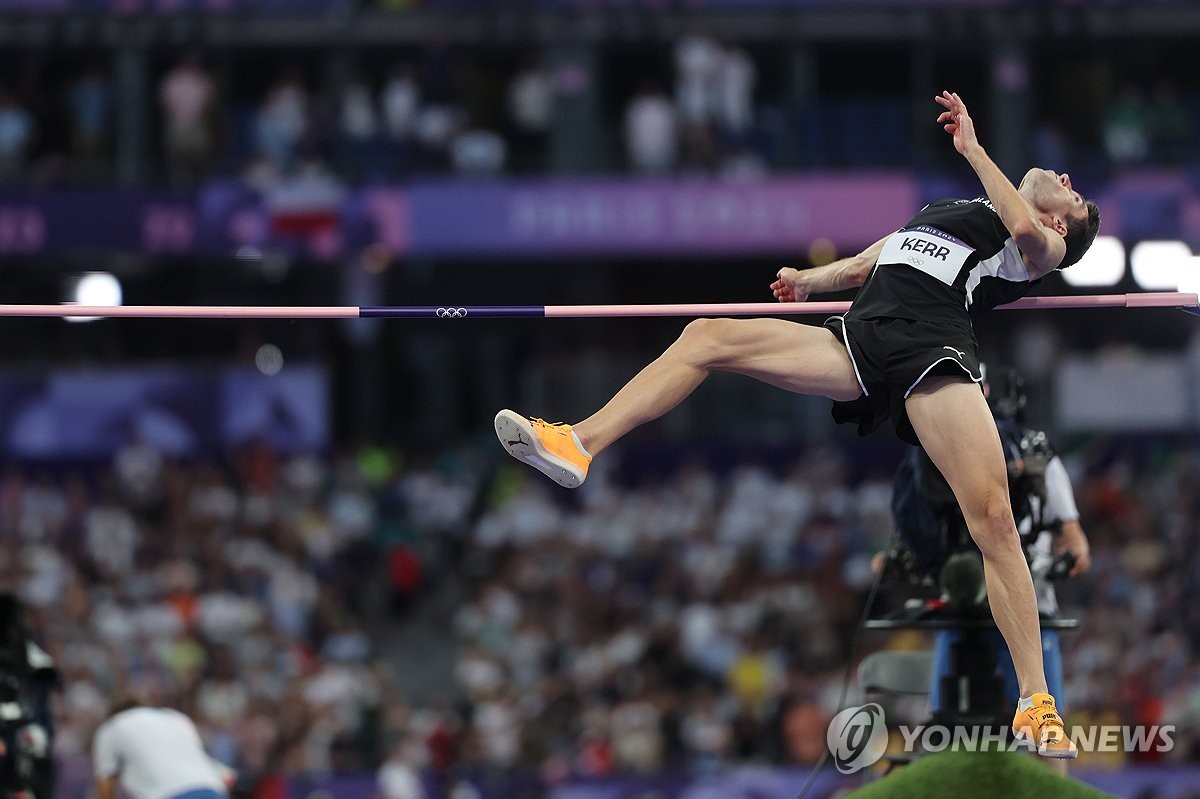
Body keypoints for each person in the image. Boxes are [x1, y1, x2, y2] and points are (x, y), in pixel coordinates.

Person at [494, 90, 1101, 758]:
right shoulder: (952, 211)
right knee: (706, 334)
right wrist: (814, 280)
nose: (1066, 182)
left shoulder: (1037, 242)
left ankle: (1036, 702)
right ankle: (579, 443)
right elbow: (878, 257)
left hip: (935, 352)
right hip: (860, 340)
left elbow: (1021, 233)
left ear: (1064, 226)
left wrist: (974, 149)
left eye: (1074, 196)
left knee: (990, 518)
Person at [884, 364, 1091, 773]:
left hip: (1025, 604)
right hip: (961, 604)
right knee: (943, 723)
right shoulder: (925, 454)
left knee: (1044, 730)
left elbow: (1076, 543)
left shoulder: (1029, 449)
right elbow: (908, 531)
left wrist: (1063, 553)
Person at [92, 699, 235, 799]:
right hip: (212, 790)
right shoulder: (174, 718)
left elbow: (105, 783)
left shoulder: (111, 728)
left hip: (167, 794)